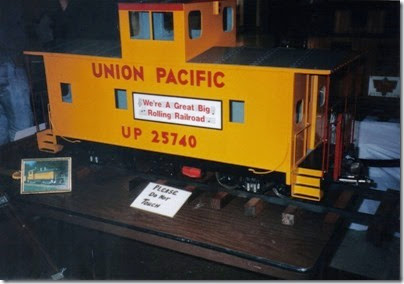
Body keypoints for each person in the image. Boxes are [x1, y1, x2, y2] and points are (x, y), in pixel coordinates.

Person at [0, 0, 34, 145]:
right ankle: (17, 163)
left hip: (9, 60)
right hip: (9, 62)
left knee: (4, 128)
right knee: (23, 129)